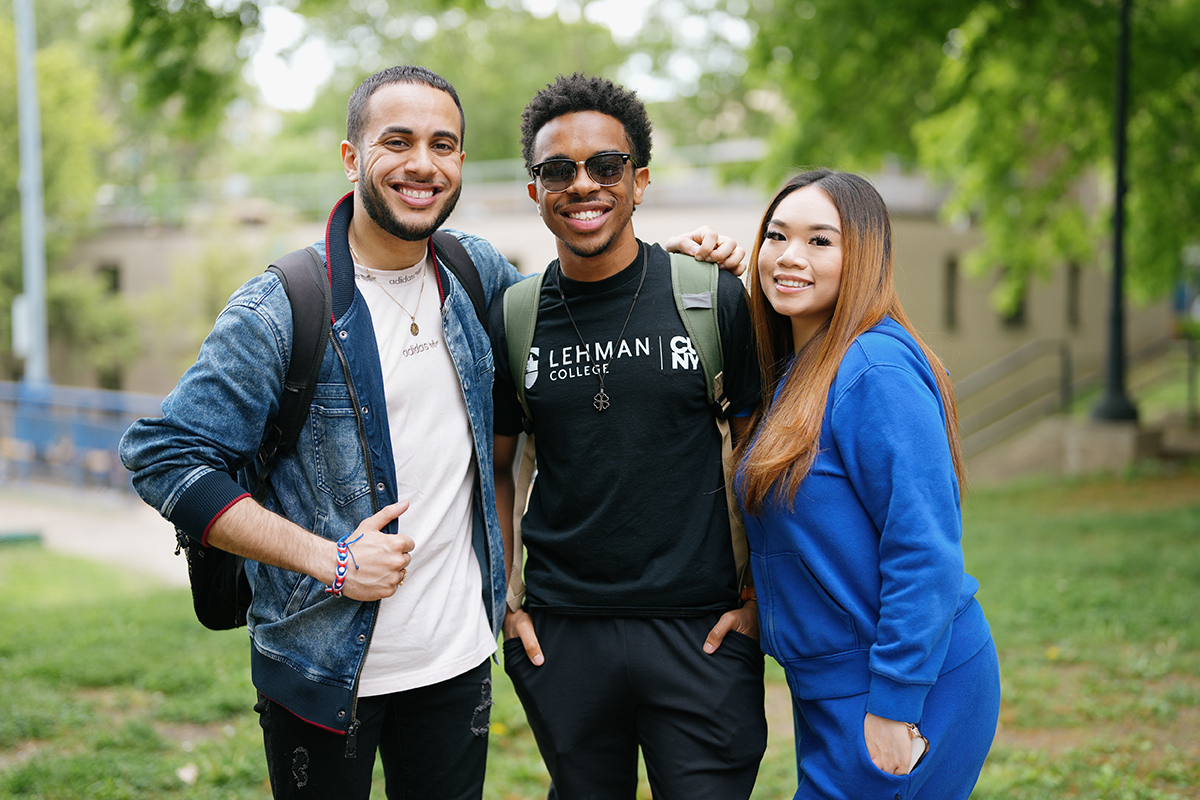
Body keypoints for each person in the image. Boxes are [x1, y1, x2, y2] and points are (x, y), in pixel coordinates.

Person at [120, 65, 742, 800]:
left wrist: (690, 262)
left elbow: (593, 291)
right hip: (324, 670)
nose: (422, 163)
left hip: (458, 665)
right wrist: (329, 560)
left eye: (443, 145)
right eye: (398, 141)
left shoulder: (475, 275)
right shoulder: (283, 307)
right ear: (352, 159)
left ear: (461, 165)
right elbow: (161, 454)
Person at [491, 73, 767, 799]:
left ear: (638, 181)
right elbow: (495, 470)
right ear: (534, 189)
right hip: (563, 635)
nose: (582, 184)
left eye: (605, 166)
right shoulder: (515, 317)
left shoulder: (709, 295)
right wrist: (506, 602)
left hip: (702, 632)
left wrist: (761, 599)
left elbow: (761, 454)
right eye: (558, 170)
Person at [733, 169, 1001, 799]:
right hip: (832, 684)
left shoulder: (872, 367)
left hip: (907, 683)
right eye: (777, 236)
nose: (790, 257)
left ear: (864, 257)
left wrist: (895, 702)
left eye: (821, 241)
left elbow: (924, 549)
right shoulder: (799, 370)